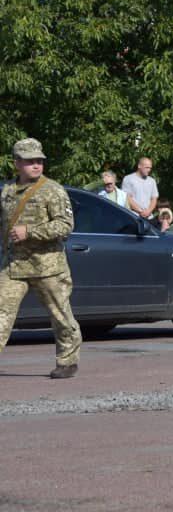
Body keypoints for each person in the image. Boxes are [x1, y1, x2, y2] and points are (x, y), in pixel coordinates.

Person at [0, 138, 81, 379]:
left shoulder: (52, 190)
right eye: (30, 161)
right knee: (1, 311)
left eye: (39, 161)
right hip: (14, 265)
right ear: (17, 163)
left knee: (60, 315)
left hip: (47, 266)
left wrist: (30, 231)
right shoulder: (7, 191)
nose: (36, 165)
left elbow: (65, 225)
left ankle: (67, 361)